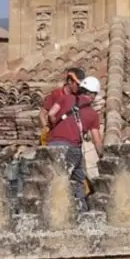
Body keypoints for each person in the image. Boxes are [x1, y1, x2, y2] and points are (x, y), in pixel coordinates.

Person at [43, 71, 103, 212]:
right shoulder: (93, 114)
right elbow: (97, 141)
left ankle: (50, 212)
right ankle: (81, 210)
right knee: (77, 180)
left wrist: (55, 127)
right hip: (72, 148)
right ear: (93, 95)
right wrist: (102, 156)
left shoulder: (65, 99)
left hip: (52, 146)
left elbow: (51, 114)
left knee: (54, 179)